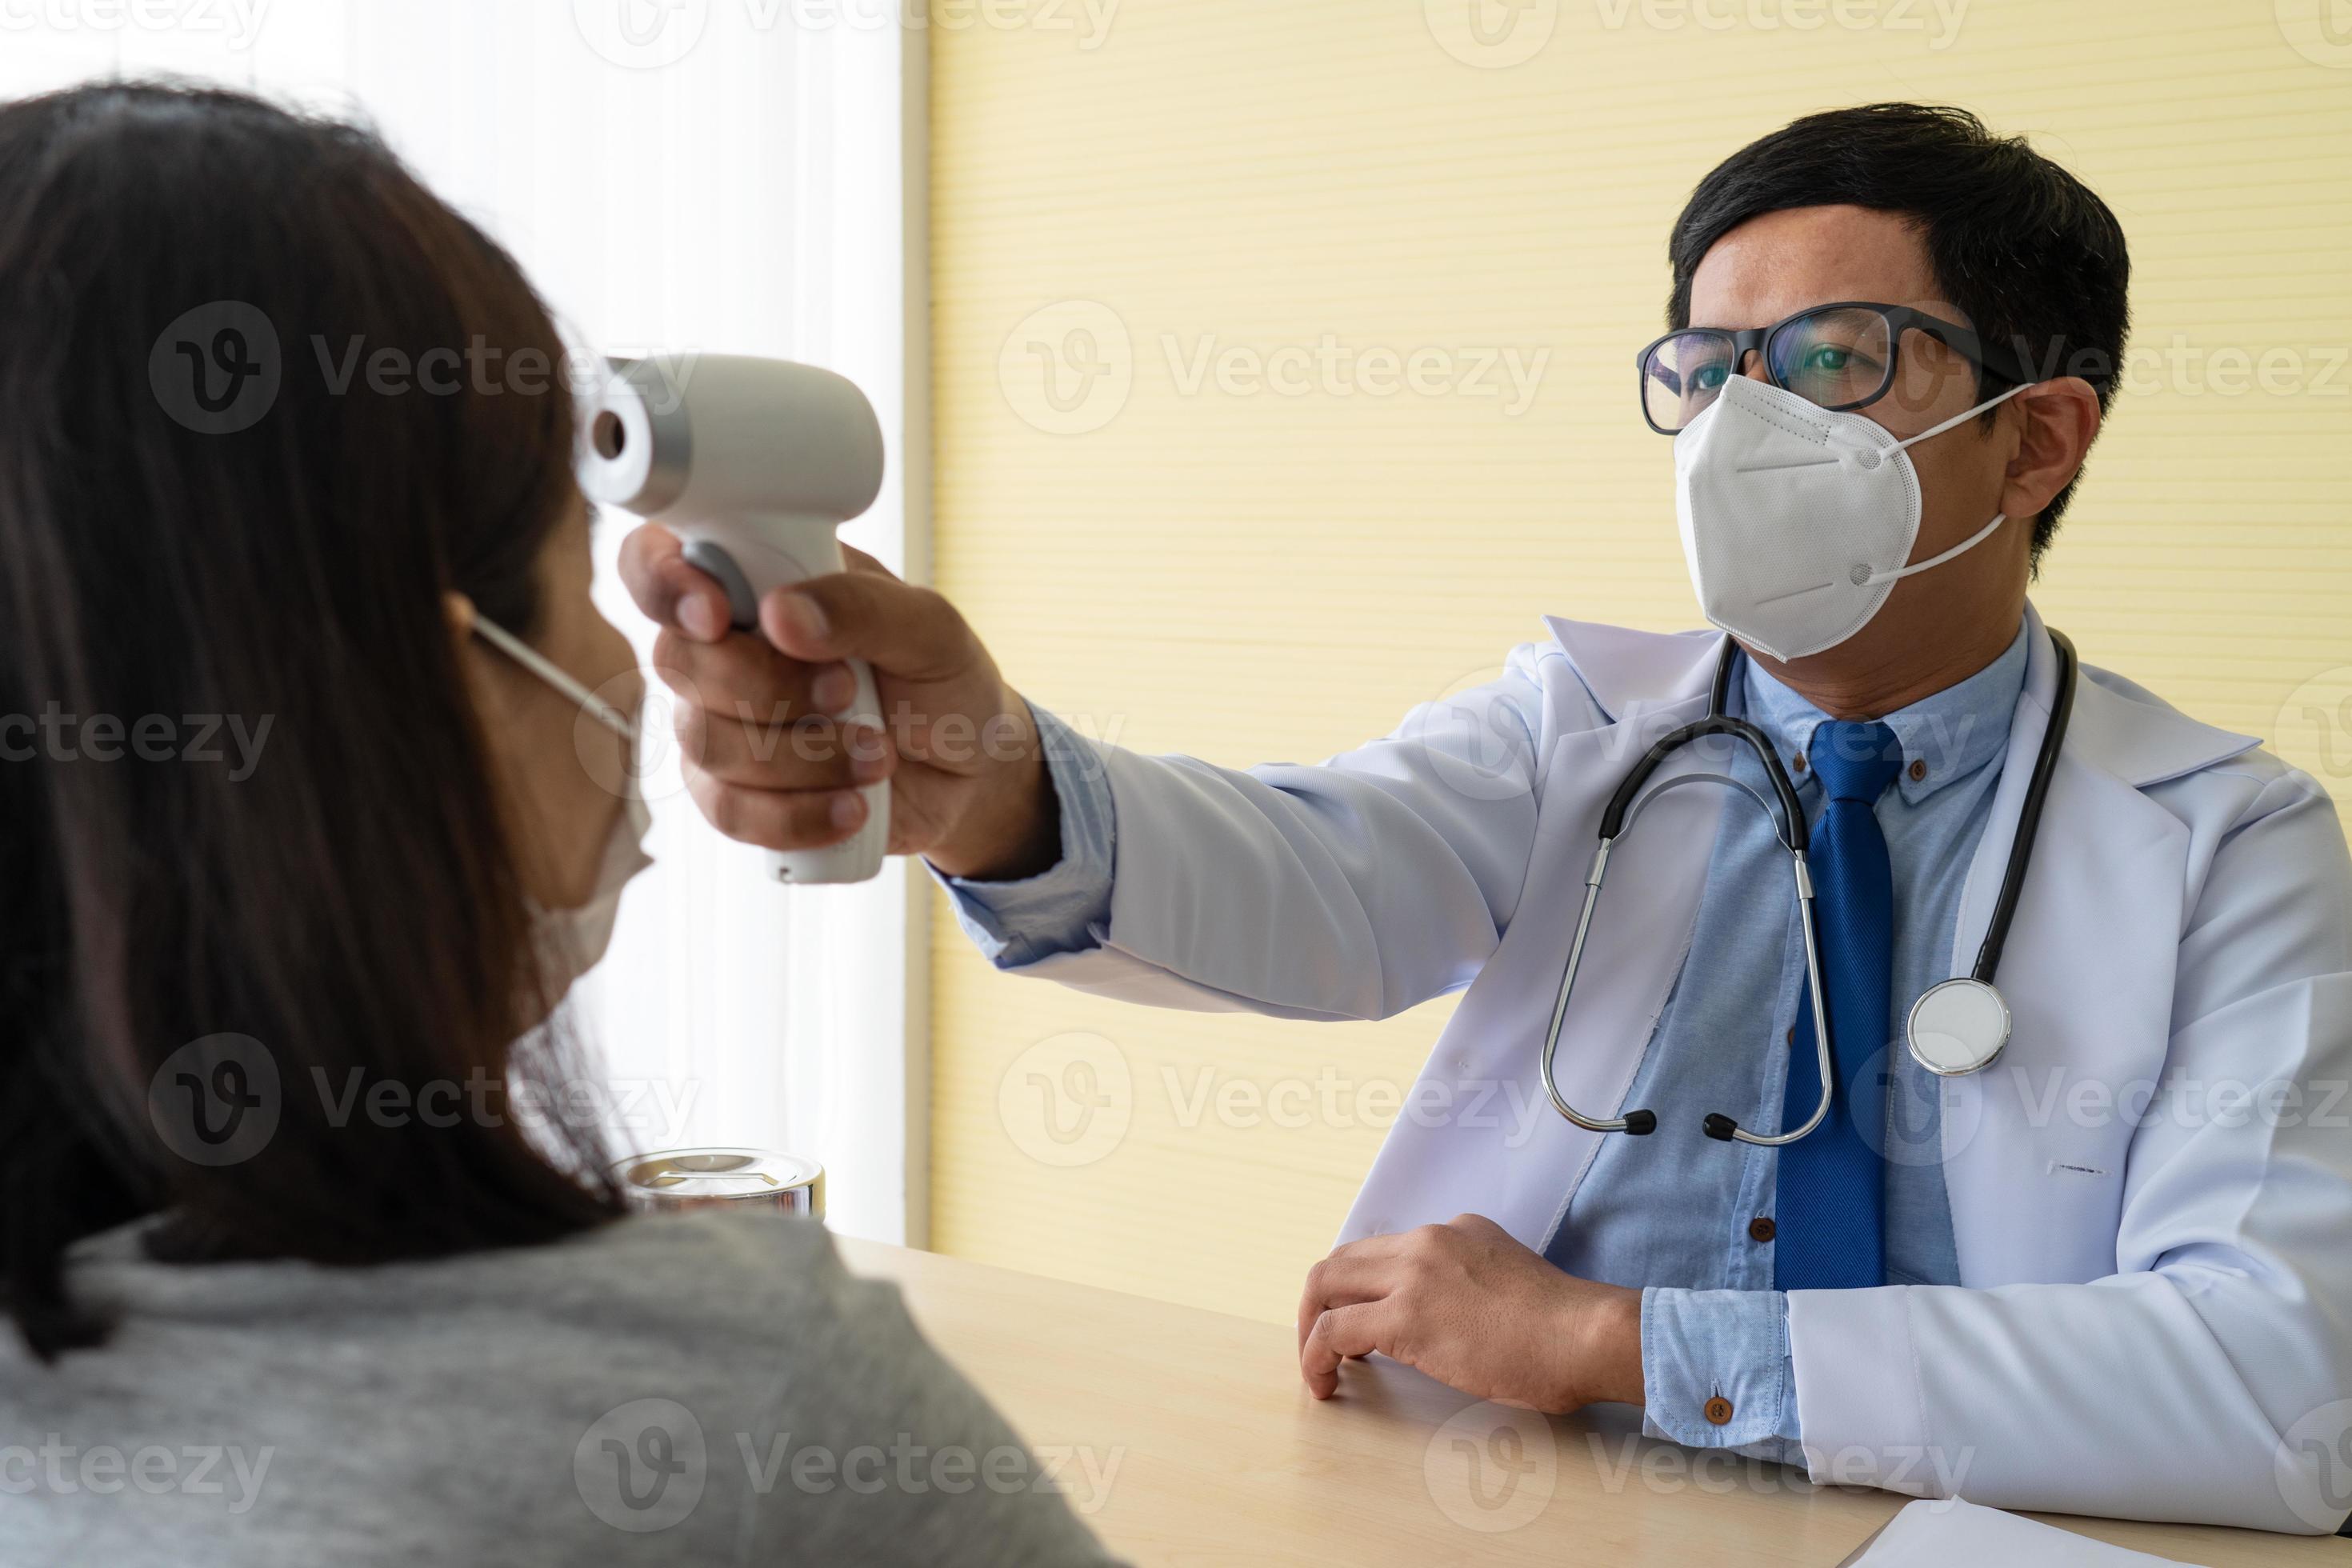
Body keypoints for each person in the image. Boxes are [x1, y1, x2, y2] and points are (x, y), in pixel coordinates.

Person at [624, 104, 2352, 1533]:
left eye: (1833, 358)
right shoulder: (1577, 722)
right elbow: (1311, 868)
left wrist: (1615, 1338)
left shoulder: (2226, 844)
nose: (1741, 428)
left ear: (2036, 440)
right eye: (1707, 366)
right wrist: (987, 779)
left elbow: (2283, 1379)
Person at [0, 83, 1117, 1566]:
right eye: (581, 560)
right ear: (443, 683)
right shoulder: (735, 1402)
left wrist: (999, 793)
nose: (631, 653)